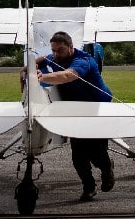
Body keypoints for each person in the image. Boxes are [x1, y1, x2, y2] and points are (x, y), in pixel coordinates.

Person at [24, 30, 116, 201]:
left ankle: (107, 168)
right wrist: (30, 67)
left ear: (71, 48)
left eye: (60, 50)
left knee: (97, 153)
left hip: (95, 109)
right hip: (73, 111)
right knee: (78, 155)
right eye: (53, 50)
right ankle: (88, 186)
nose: (55, 54)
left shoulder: (83, 61)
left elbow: (68, 76)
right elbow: (40, 62)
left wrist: (41, 77)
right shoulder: (55, 59)